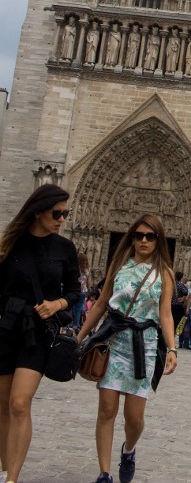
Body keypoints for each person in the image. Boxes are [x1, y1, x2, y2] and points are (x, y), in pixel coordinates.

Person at [76, 213, 177, 483]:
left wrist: (172, 349)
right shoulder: (119, 265)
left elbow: (165, 313)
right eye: (138, 235)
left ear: (158, 240)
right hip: (114, 340)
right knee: (107, 410)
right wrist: (80, 337)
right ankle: (104, 473)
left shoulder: (164, 273)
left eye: (150, 236)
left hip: (144, 345)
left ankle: (129, 449)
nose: (143, 240)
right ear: (131, 238)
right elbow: (100, 304)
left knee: (134, 418)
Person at [0, 184, 79, 483]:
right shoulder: (10, 242)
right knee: (3, 404)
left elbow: (73, 291)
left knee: (20, 402)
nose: (61, 220)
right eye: (56, 213)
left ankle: (12, 479)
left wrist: (56, 304)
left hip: (38, 331)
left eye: (65, 214)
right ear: (37, 212)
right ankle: (5, 467)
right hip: (6, 328)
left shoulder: (65, 249)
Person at [74, 252, 93, 329]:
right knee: (78, 309)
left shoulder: (75, 268)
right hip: (83, 291)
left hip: (75, 290)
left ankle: (68, 324)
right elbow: (89, 283)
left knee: (71, 307)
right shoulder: (87, 270)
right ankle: (75, 326)